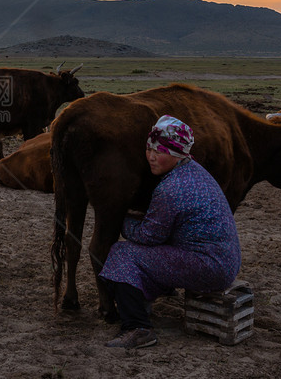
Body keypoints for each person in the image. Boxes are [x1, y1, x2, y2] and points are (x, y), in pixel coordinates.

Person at [99, 115, 241, 348]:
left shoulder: (171, 188)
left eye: (160, 151)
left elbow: (149, 236)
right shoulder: (194, 171)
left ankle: (137, 328)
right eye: (149, 148)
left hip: (210, 266)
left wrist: (121, 220)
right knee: (151, 254)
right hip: (225, 260)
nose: (151, 157)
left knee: (122, 254)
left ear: (178, 153)